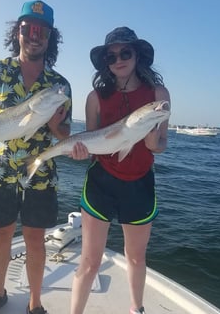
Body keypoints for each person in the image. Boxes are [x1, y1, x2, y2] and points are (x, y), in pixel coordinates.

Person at [0, 0, 72, 314]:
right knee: (2, 233)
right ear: (17, 32)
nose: (35, 36)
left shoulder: (59, 86)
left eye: (42, 31)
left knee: (35, 239)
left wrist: (53, 124)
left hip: (41, 173)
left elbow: (65, 135)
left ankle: (35, 304)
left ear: (51, 38)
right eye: (28, 29)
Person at [70, 27, 171, 314]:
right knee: (89, 261)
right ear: (106, 62)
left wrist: (151, 135)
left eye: (125, 52)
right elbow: (91, 141)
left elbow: (160, 145)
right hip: (101, 182)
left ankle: (136, 309)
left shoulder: (158, 96)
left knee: (136, 258)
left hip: (139, 184)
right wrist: (80, 151)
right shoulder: (95, 97)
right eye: (111, 56)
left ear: (137, 55)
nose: (119, 59)